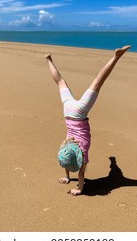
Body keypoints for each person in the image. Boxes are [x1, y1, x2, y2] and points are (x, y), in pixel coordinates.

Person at [45, 45, 131, 196]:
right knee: (61, 83)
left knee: (98, 82)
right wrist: (69, 178)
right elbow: (68, 158)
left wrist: (79, 189)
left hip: (79, 112)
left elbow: (81, 173)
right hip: (69, 111)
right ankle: (48, 60)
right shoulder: (66, 145)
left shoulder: (80, 152)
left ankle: (116, 57)